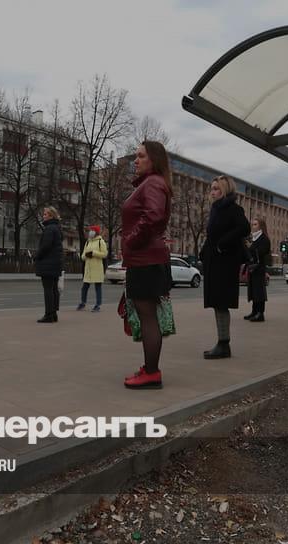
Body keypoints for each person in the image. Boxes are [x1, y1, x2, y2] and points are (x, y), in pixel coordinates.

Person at [121, 141, 173, 389]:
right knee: (147, 316)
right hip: (146, 259)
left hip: (146, 260)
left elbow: (153, 216)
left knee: (148, 317)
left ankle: (152, 373)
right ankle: (150, 368)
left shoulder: (153, 183)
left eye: (141, 156)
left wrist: (131, 240)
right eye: (136, 156)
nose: (136, 160)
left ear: (154, 159)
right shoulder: (152, 183)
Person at [200, 175, 250, 359]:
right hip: (214, 262)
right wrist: (204, 252)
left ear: (225, 190)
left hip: (225, 263)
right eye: (212, 188)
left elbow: (244, 228)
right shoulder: (216, 209)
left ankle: (224, 345)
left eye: (216, 189)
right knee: (216, 303)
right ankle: (222, 343)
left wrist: (222, 244)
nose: (212, 192)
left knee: (221, 303)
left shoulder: (233, 209)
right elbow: (212, 235)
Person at [35, 206, 63, 323]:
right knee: (54, 289)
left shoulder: (49, 229)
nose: (43, 216)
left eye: (45, 214)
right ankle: (54, 314)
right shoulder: (57, 228)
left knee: (48, 290)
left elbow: (46, 246)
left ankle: (49, 315)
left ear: (51, 216)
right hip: (55, 263)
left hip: (48, 263)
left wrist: (37, 256)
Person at [244, 217, 271, 322]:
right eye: (252, 224)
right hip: (252, 268)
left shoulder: (264, 238)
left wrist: (251, 247)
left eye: (255, 224)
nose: (253, 226)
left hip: (259, 268)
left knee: (259, 291)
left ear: (261, 226)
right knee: (253, 291)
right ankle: (254, 311)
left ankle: (260, 313)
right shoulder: (254, 238)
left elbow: (262, 252)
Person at [77, 225, 108, 312]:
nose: (90, 232)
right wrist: (86, 255)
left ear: (96, 232)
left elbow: (104, 254)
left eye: (92, 230)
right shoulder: (88, 242)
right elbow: (82, 256)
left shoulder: (101, 241)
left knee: (98, 287)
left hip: (97, 268)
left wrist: (94, 253)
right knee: (84, 287)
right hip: (88, 269)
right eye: (90, 230)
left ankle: (98, 305)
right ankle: (83, 303)